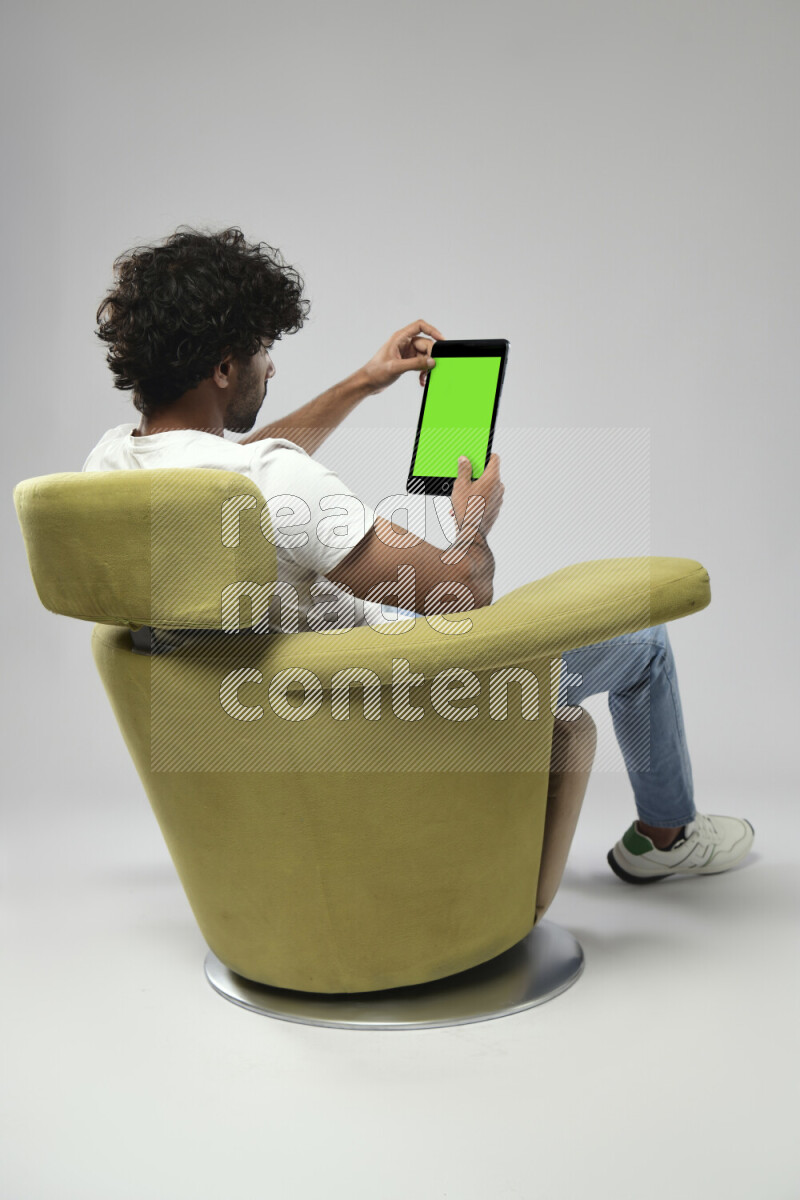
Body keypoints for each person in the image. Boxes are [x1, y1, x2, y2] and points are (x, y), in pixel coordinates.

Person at [83, 224, 754, 885]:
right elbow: (461, 587)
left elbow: (235, 462)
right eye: (262, 349)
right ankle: (667, 837)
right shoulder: (272, 481)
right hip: (409, 697)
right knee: (644, 637)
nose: (273, 364)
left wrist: (363, 382)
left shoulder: (108, 470)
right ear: (224, 368)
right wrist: (472, 522)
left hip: (261, 727)